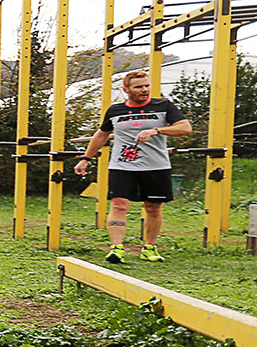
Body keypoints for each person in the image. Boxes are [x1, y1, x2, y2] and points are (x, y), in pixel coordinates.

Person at [74, 70, 192, 263]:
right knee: (119, 204)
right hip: (123, 165)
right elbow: (102, 134)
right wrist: (86, 158)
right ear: (126, 90)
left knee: (153, 207)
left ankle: (149, 248)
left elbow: (185, 127)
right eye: (139, 86)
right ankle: (117, 248)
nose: (145, 90)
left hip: (156, 165)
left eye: (147, 85)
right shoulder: (115, 110)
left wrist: (156, 130)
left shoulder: (163, 106)